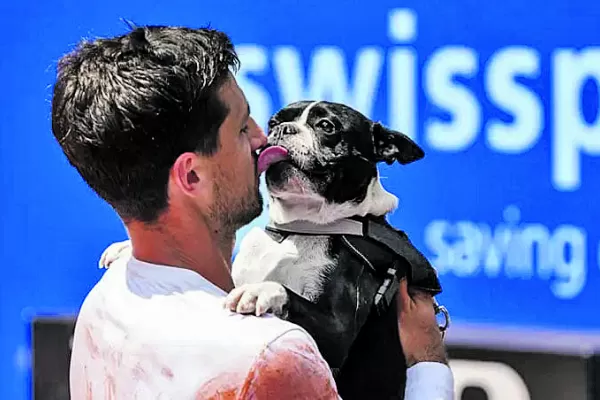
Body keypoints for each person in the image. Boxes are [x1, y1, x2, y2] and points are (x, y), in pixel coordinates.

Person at [51, 25, 454, 399]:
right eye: (243, 128)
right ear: (191, 175)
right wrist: (429, 367)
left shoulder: (105, 301)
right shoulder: (271, 358)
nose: (265, 139)